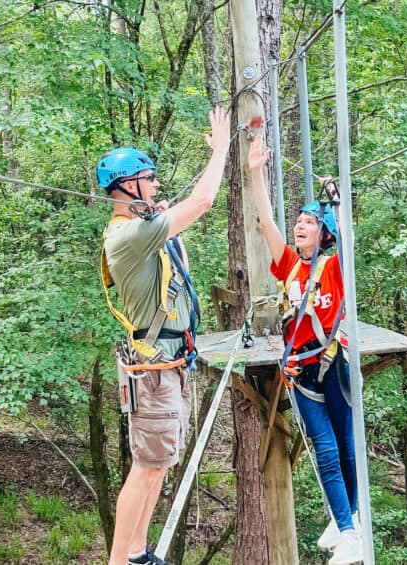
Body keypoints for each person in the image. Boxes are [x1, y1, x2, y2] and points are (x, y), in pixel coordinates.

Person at [99, 107, 230, 565]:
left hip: (169, 365)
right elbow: (203, 203)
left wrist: (156, 213)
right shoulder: (128, 235)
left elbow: (179, 255)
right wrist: (221, 149)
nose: (156, 187)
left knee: (158, 465)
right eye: (149, 179)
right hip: (154, 371)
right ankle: (120, 560)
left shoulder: (143, 228)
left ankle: (135, 552)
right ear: (128, 185)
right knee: (146, 466)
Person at [247, 134, 362, 565]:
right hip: (299, 368)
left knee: (346, 447)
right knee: (324, 449)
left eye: (309, 222)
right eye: (298, 221)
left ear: (324, 231)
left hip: (332, 361)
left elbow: (348, 244)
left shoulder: (333, 266)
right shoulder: (290, 266)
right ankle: (346, 527)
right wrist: (257, 172)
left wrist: (336, 204)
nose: (300, 225)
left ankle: (351, 518)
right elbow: (265, 224)